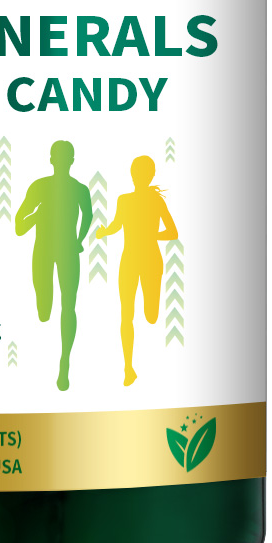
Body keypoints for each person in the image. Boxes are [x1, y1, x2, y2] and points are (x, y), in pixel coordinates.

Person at [15, 140, 92, 391]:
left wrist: (78, 240)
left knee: (68, 306)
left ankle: (64, 363)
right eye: (59, 157)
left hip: (68, 252)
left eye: (63, 157)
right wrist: (37, 215)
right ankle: (43, 304)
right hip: (44, 253)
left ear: (70, 161)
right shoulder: (40, 187)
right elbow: (19, 225)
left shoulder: (80, 190)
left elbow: (88, 216)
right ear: (53, 160)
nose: (60, 161)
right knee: (45, 309)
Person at [97, 155, 178, 386]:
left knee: (151, 316)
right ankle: (128, 368)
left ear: (150, 176)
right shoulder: (124, 200)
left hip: (151, 260)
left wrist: (151, 235)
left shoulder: (156, 201)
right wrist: (104, 232)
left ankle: (151, 309)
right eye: (135, 172)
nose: (138, 177)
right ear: (131, 175)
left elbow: (173, 232)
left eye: (142, 173)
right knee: (126, 315)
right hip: (129, 261)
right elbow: (117, 224)